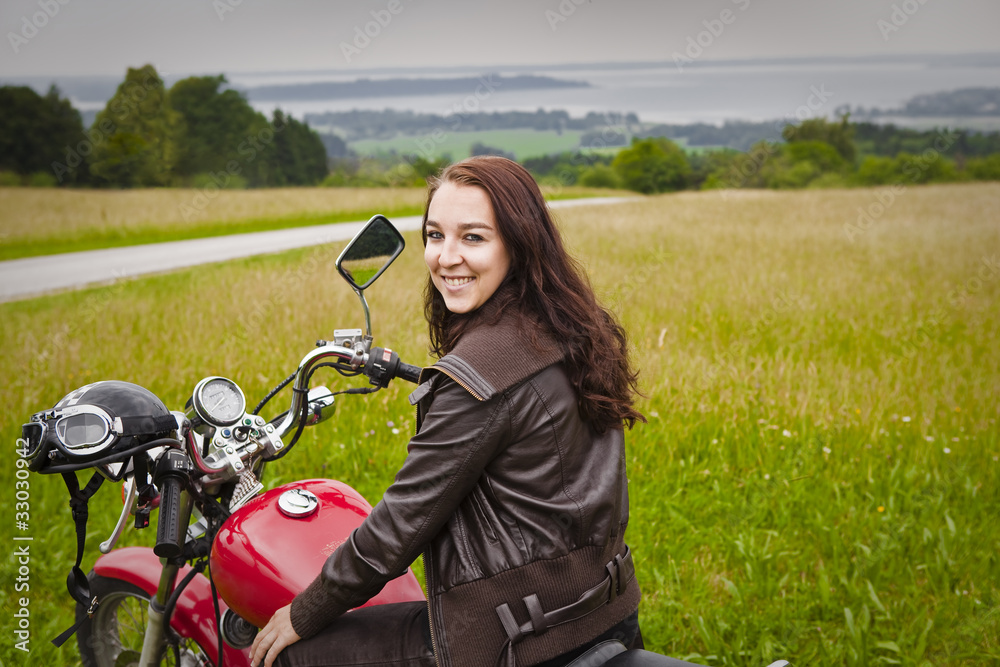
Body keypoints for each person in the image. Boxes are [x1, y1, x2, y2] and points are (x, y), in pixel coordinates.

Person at [250, 156, 646, 667]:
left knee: (286, 658)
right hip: (602, 604)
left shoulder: (477, 381)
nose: (446, 257)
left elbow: (396, 531)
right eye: (435, 235)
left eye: (474, 238)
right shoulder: (571, 329)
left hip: (512, 636)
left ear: (518, 244)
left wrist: (304, 612)